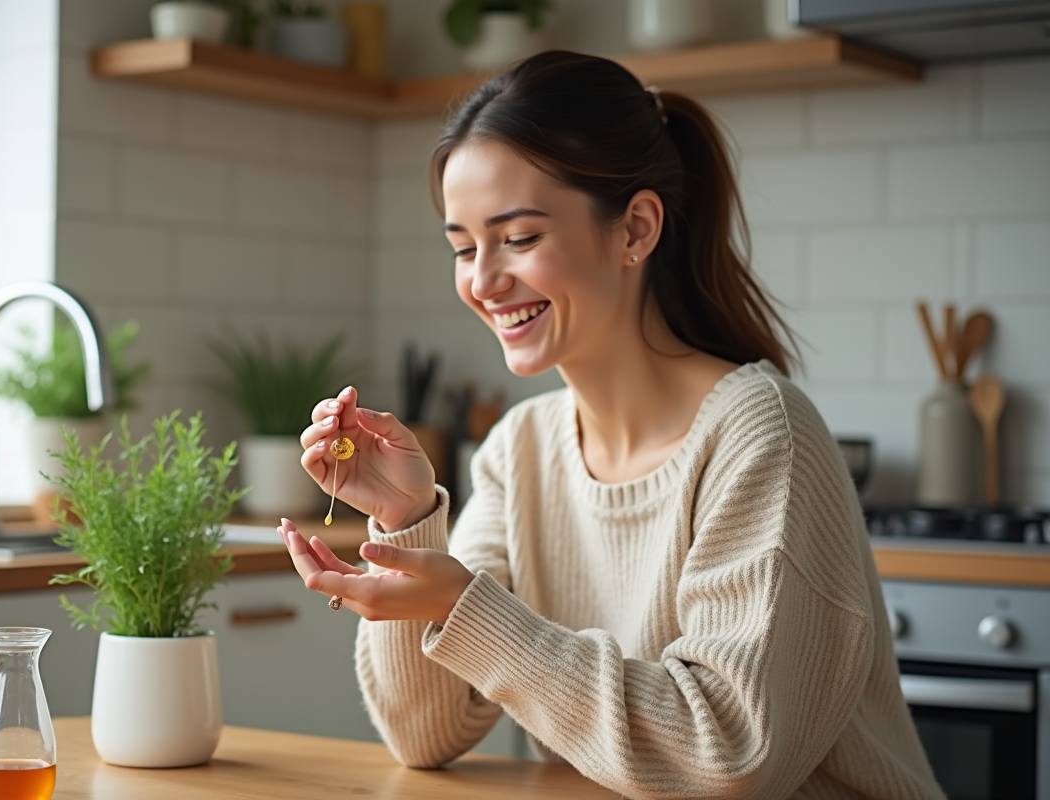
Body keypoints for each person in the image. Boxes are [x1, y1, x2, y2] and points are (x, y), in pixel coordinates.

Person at [277, 50, 944, 800]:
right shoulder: (518, 450)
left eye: (519, 238)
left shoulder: (761, 435)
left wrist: (467, 604)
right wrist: (406, 522)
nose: (483, 280)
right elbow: (425, 737)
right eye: (463, 247)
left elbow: (725, 758)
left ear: (634, 229)